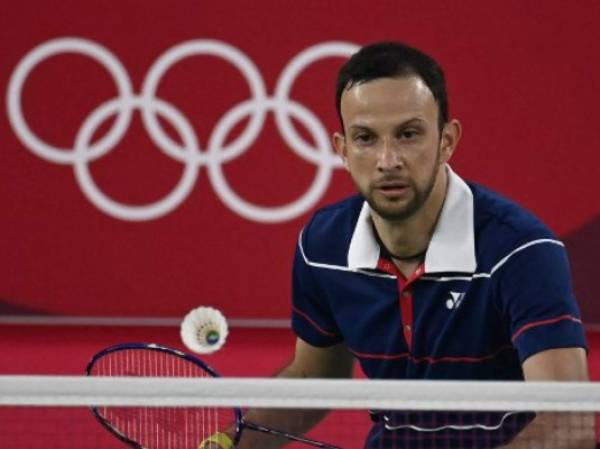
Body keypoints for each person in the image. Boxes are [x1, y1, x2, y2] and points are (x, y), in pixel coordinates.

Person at [202, 41, 593, 449]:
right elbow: (312, 379)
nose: (388, 160)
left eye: (408, 134)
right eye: (366, 138)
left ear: (447, 140)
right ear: (342, 150)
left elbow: (569, 423)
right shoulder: (324, 248)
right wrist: (230, 442)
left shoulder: (520, 250)